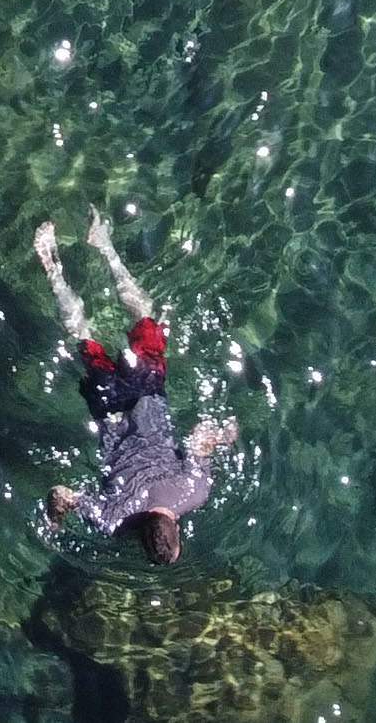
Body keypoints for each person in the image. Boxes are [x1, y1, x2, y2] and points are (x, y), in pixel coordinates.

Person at [34, 213, 236, 565]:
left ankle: (105, 247)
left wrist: (223, 436)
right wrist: (53, 523)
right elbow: (60, 494)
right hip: (108, 410)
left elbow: (201, 434)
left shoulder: (195, 490)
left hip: (148, 396)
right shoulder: (110, 520)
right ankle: (52, 265)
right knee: (84, 338)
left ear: (178, 534)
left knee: (145, 316)